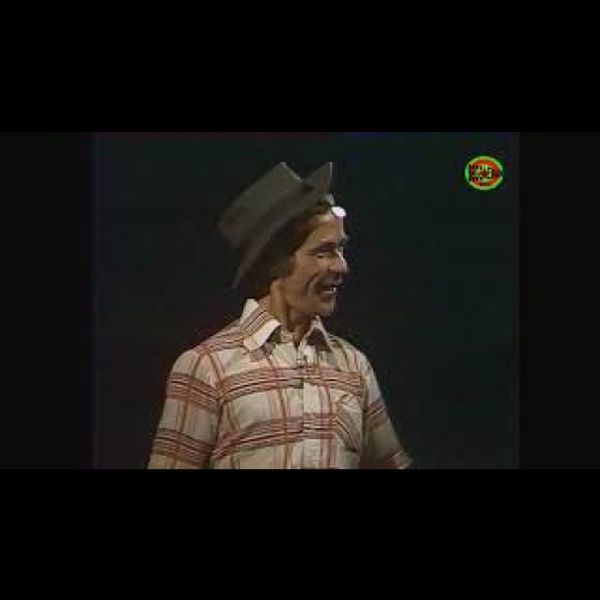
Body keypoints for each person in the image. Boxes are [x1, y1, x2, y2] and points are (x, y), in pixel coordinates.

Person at [148, 162, 412, 469]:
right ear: (275, 262)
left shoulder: (354, 366)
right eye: (323, 252)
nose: (342, 266)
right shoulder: (208, 367)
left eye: (341, 250)